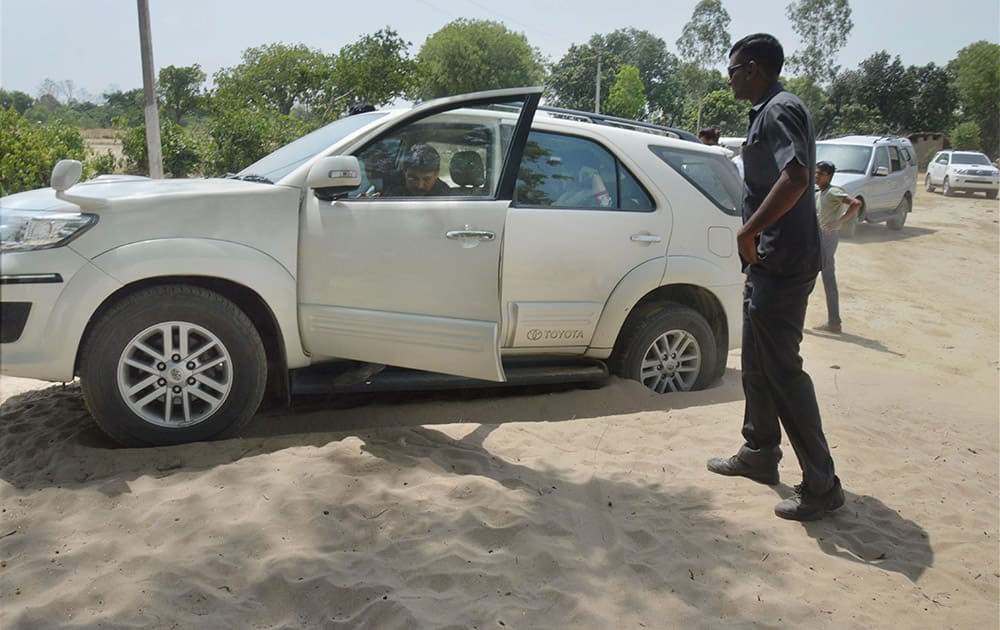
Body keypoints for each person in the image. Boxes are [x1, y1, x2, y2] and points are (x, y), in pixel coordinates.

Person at [706, 33, 844, 521]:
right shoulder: (769, 109)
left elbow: (798, 177)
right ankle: (760, 452)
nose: (730, 79)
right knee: (759, 365)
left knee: (782, 369)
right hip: (768, 260)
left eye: (734, 70)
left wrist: (749, 231)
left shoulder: (780, 109)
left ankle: (823, 485)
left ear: (755, 69)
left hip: (783, 261)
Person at [814, 160, 861, 334]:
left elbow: (856, 203)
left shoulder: (833, 191)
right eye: (816, 172)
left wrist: (838, 222)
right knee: (818, 277)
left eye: (821, 174)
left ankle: (834, 322)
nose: (817, 176)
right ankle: (833, 322)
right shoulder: (820, 192)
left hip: (827, 238)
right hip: (820, 237)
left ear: (829, 176)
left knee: (825, 278)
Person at [381, 143, 451, 197]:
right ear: (404, 171)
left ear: (436, 174)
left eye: (427, 179)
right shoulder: (391, 185)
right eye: (413, 178)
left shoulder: (445, 196)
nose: (420, 186)